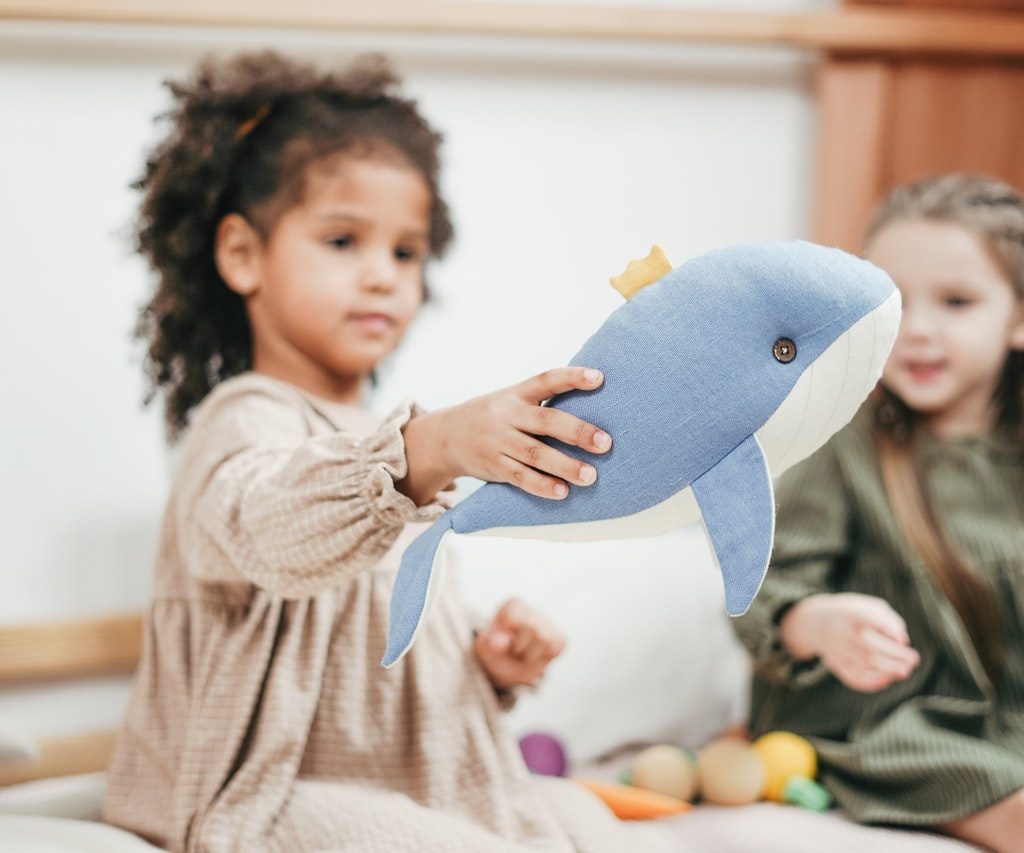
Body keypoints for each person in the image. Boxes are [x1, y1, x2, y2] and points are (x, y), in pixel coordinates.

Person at [102, 50, 665, 853]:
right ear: (242, 255)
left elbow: (376, 628)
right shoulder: (244, 419)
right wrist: (428, 446)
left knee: (590, 824)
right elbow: (269, 531)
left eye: (405, 252)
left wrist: (485, 656)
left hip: (415, 780)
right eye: (342, 241)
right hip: (270, 791)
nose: (382, 277)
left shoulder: (383, 445)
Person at [735, 174, 1024, 851]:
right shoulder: (845, 444)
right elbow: (756, 585)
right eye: (893, 301)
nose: (917, 329)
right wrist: (815, 621)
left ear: (1017, 317)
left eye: (956, 302)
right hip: (882, 723)